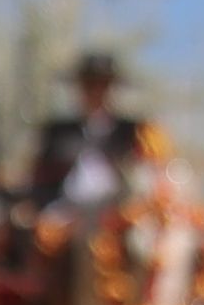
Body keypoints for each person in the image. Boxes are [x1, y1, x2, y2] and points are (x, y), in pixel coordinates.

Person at [19, 49, 148, 219]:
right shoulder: (57, 132)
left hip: (117, 213)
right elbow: (39, 179)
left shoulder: (132, 132)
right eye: (89, 84)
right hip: (64, 212)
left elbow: (146, 176)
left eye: (102, 84)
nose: (96, 91)